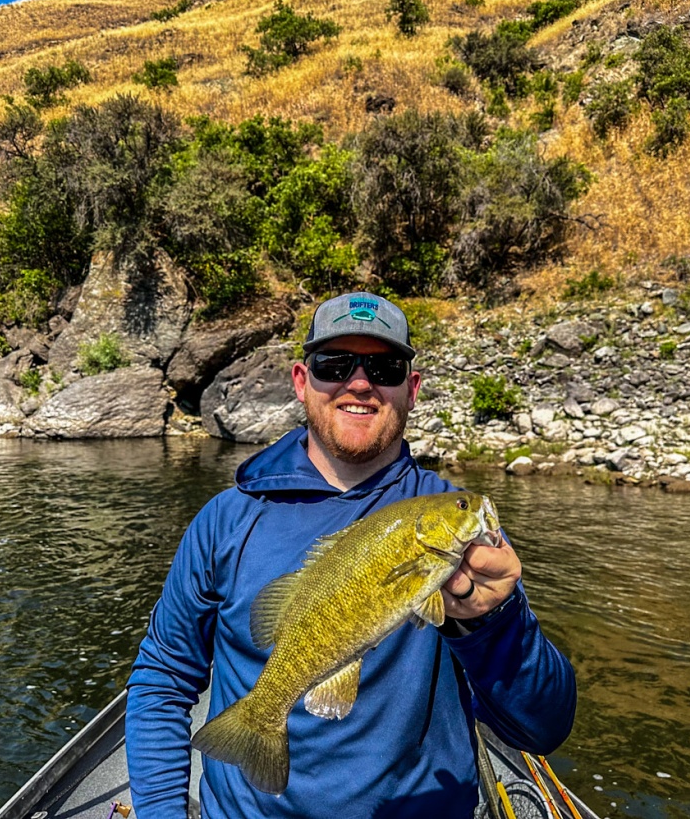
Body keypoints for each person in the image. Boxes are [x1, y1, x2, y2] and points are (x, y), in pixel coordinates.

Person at [125, 291, 576, 818]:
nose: (359, 382)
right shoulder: (225, 521)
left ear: (411, 389)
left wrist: (493, 623)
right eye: (335, 363)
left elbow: (543, 727)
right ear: (301, 380)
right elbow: (163, 679)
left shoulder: (462, 534)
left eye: (384, 367)